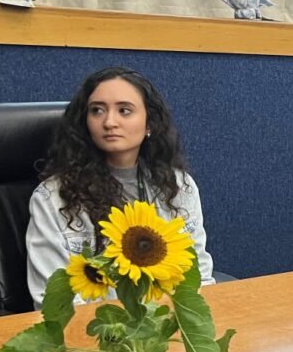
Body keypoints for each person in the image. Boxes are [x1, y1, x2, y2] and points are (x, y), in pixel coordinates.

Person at [26, 66, 214, 308]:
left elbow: (199, 278)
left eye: (124, 110)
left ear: (149, 124)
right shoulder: (52, 198)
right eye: (97, 110)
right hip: (99, 329)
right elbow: (55, 304)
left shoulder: (178, 186)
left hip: (167, 322)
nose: (109, 122)